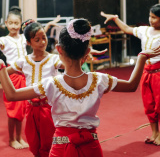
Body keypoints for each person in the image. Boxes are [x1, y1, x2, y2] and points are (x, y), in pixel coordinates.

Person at [0, 18, 160, 157]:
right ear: (87, 52)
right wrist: (141, 58)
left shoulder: (51, 84)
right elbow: (132, 85)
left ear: (59, 50)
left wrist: (1, 66)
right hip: (91, 147)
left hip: (60, 147)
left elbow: (12, 94)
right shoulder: (100, 79)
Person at [101, 3, 160, 146]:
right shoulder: (144, 30)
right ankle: (154, 133)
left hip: (159, 73)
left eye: (154, 17)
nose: (151, 20)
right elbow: (127, 29)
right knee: (149, 104)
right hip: (146, 72)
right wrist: (115, 18)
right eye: (150, 17)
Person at [7, 19, 64, 157]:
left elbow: (70, 66)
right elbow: (5, 72)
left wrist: (80, 56)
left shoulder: (53, 59)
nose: (42, 42)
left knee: (49, 141)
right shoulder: (24, 61)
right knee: (33, 142)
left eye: (44, 38)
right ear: (28, 43)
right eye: (37, 40)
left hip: (48, 108)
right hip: (31, 108)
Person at [0, 6, 28, 149]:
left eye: (16, 23)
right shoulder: (4, 40)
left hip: (24, 76)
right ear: (6, 23)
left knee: (22, 109)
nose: (13, 26)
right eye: (10, 23)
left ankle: (19, 137)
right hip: (11, 76)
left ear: (21, 24)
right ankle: (11, 139)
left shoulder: (24, 38)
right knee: (13, 110)